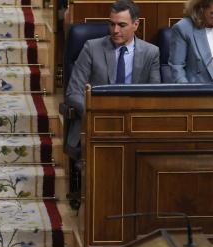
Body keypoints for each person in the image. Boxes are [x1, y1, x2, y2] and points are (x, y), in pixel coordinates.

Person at [65, 0, 161, 149]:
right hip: (95, 125)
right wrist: (99, 115)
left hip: (133, 126)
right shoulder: (92, 48)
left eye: (122, 25)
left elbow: (154, 95)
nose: (115, 30)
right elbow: (73, 93)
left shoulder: (151, 52)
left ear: (135, 25)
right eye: (112, 24)